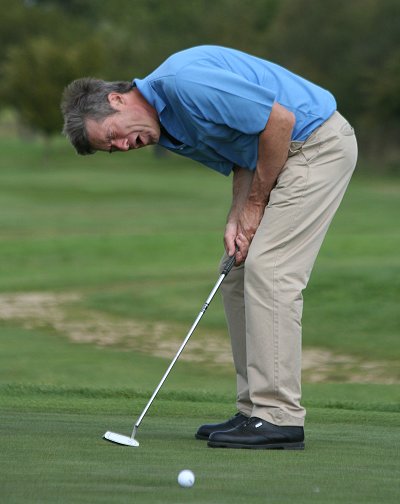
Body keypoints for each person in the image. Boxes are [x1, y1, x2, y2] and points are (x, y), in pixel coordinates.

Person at [61, 45, 357, 450]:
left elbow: (278, 122)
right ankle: (254, 410)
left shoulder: (184, 84)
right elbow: (244, 155)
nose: (125, 147)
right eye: (113, 150)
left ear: (116, 99)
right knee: (235, 272)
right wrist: (238, 217)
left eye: (114, 136)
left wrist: (254, 205)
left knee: (270, 270)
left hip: (315, 145)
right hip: (281, 155)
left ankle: (280, 417)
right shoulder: (169, 128)